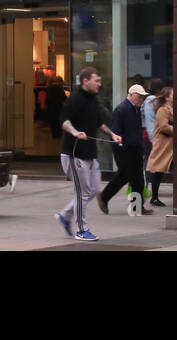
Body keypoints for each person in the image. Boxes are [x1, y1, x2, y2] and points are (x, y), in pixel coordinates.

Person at [55, 67, 121, 242]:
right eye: (96, 80)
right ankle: (81, 229)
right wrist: (75, 132)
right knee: (83, 192)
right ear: (85, 81)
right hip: (74, 155)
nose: (99, 84)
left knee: (92, 191)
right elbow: (64, 121)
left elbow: (99, 123)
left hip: (90, 154)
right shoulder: (75, 100)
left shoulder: (93, 100)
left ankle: (65, 215)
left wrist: (112, 134)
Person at [98, 84, 153, 215]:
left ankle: (136, 207)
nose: (142, 99)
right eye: (140, 96)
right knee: (125, 176)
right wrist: (121, 149)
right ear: (132, 94)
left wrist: (140, 149)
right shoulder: (122, 109)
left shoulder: (135, 109)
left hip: (134, 148)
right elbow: (115, 132)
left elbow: (136, 131)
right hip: (125, 149)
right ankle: (104, 197)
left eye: (143, 97)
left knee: (137, 179)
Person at [146, 86, 174, 207]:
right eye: (172, 94)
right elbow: (164, 127)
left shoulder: (170, 109)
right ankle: (154, 197)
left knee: (161, 170)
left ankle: (155, 197)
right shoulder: (163, 110)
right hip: (163, 144)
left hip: (169, 145)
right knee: (159, 170)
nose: (174, 96)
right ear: (167, 97)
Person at [141, 77, 165, 172]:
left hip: (149, 134)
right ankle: (145, 182)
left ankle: (146, 182)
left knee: (148, 158)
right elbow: (150, 120)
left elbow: (149, 120)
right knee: (149, 158)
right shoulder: (153, 101)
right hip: (151, 134)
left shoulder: (151, 100)